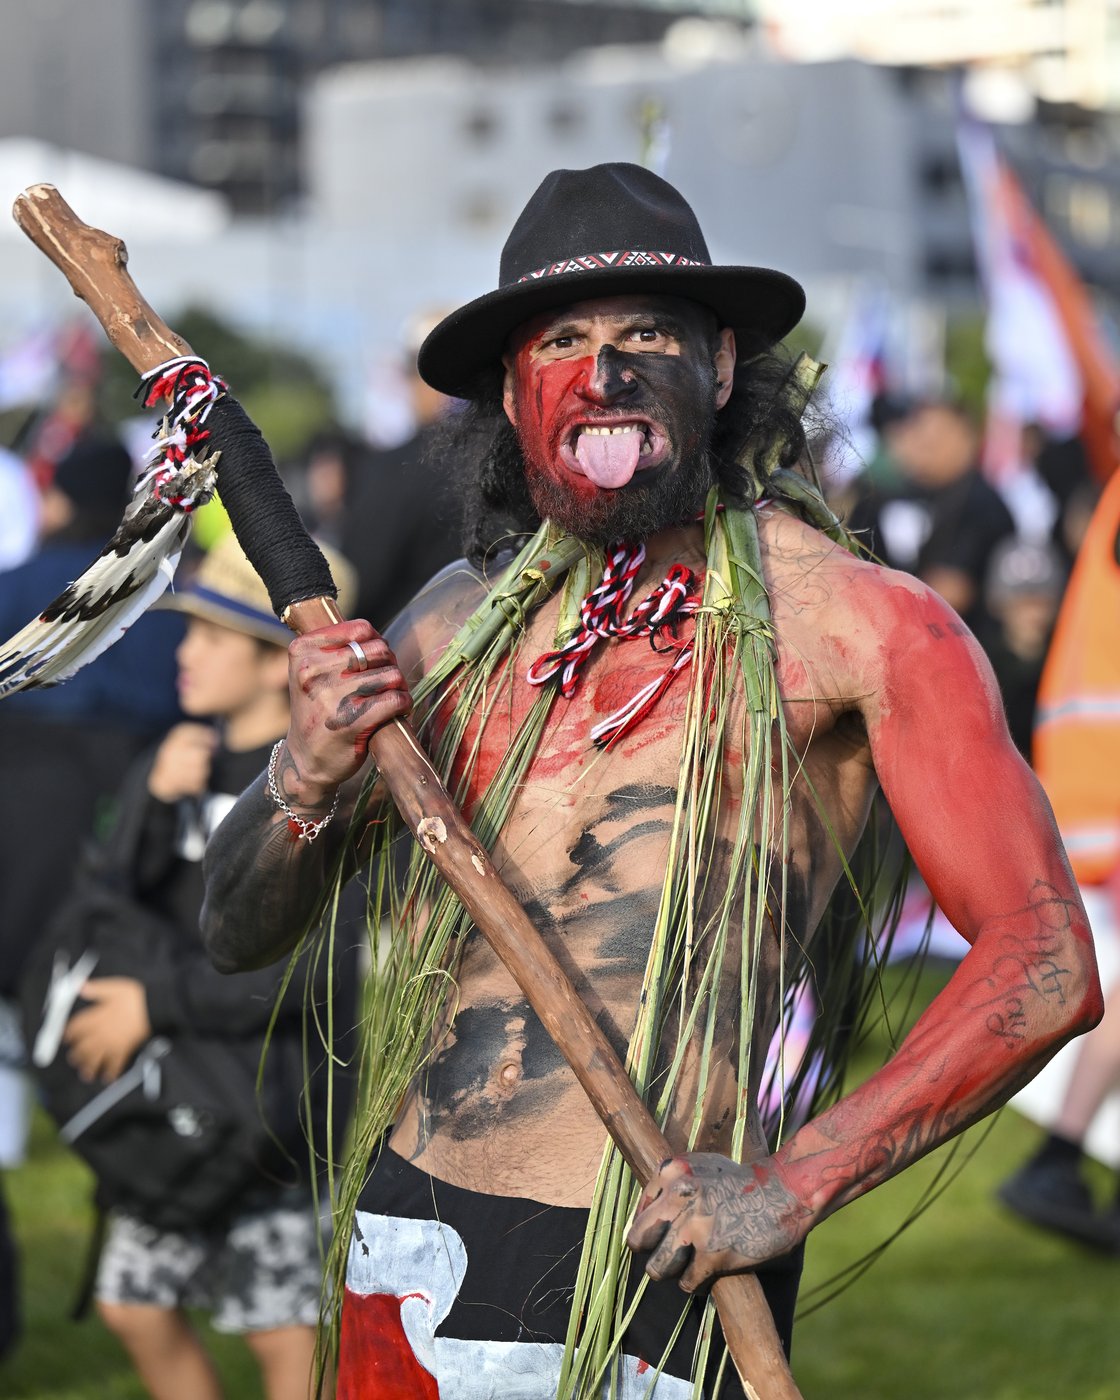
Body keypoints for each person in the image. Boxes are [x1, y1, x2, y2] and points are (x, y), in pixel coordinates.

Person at [198, 164, 1101, 1396]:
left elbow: (1044, 958)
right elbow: (235, 929)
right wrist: (302, 773)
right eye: (560, 339)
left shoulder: (855, 626)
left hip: (649, 1253)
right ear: (513, 395)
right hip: (402, 1231)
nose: (604, 371)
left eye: (647, 334)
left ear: (721, 368)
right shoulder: (451, 623)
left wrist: (792, 1182)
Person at [65, 535, 358, 1400]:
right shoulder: (173, 761)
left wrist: (155, 1001)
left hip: (274, 1115)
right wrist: (151, 814)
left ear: (281, 666)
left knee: (284, 1336)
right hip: (179, 1103)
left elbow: (319, 971)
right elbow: (102, 907)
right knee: (134, 1304)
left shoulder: (327, 796)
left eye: (211, 639)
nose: (182, 656)